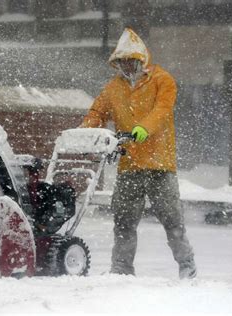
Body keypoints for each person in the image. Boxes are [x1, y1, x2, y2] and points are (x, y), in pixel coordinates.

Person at [81, 28, 196, 279]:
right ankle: (121, 270)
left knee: (172, 220)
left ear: (141, 59)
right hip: (129, 165)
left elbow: (163, 109)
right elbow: (96, 113)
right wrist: (86, 132)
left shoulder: (162, 80)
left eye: (130, 61)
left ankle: (187, 266)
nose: (126, 67)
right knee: (123, 221)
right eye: (122, 62)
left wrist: (144, 128)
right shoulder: (113, 88)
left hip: (159, 164)